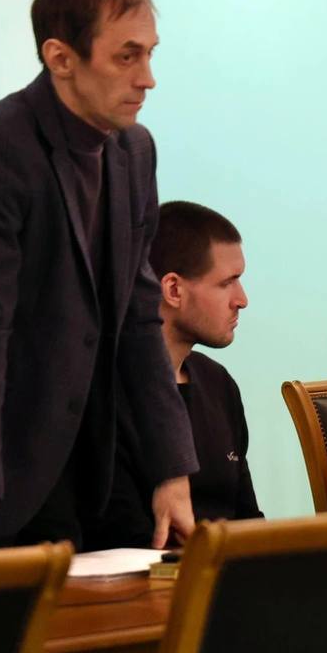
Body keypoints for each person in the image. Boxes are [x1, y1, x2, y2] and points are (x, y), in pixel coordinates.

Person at [0, 0, 196, 557]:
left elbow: (138, 316)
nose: (147, 78)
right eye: (126, 56)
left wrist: (170, 468)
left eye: (150, 54)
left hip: (62, 470)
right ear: (60, 57)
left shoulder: (134, 150)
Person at [85, 202, 261, 549]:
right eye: (227, 283)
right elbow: (127, 539)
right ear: (173, 290)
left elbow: (248, 518)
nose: (242, 300)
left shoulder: (219, 384)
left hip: (229, 574)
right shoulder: (103, 394)